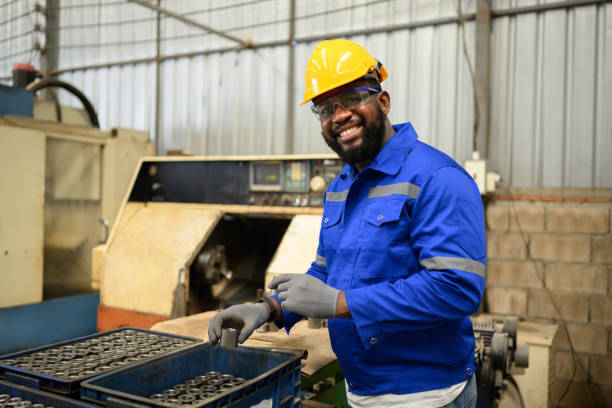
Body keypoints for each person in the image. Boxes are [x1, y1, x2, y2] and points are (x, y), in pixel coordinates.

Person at [208, 38, 486, 408]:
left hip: (426, 394)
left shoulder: (437, 178)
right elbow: (326, 271)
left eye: (353, 98)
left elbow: (456, 288)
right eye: (325, 108)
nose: (338, 116)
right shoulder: (341, 186)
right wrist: (268, 309)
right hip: (362, 389)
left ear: (383, 102)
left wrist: (340, 303)